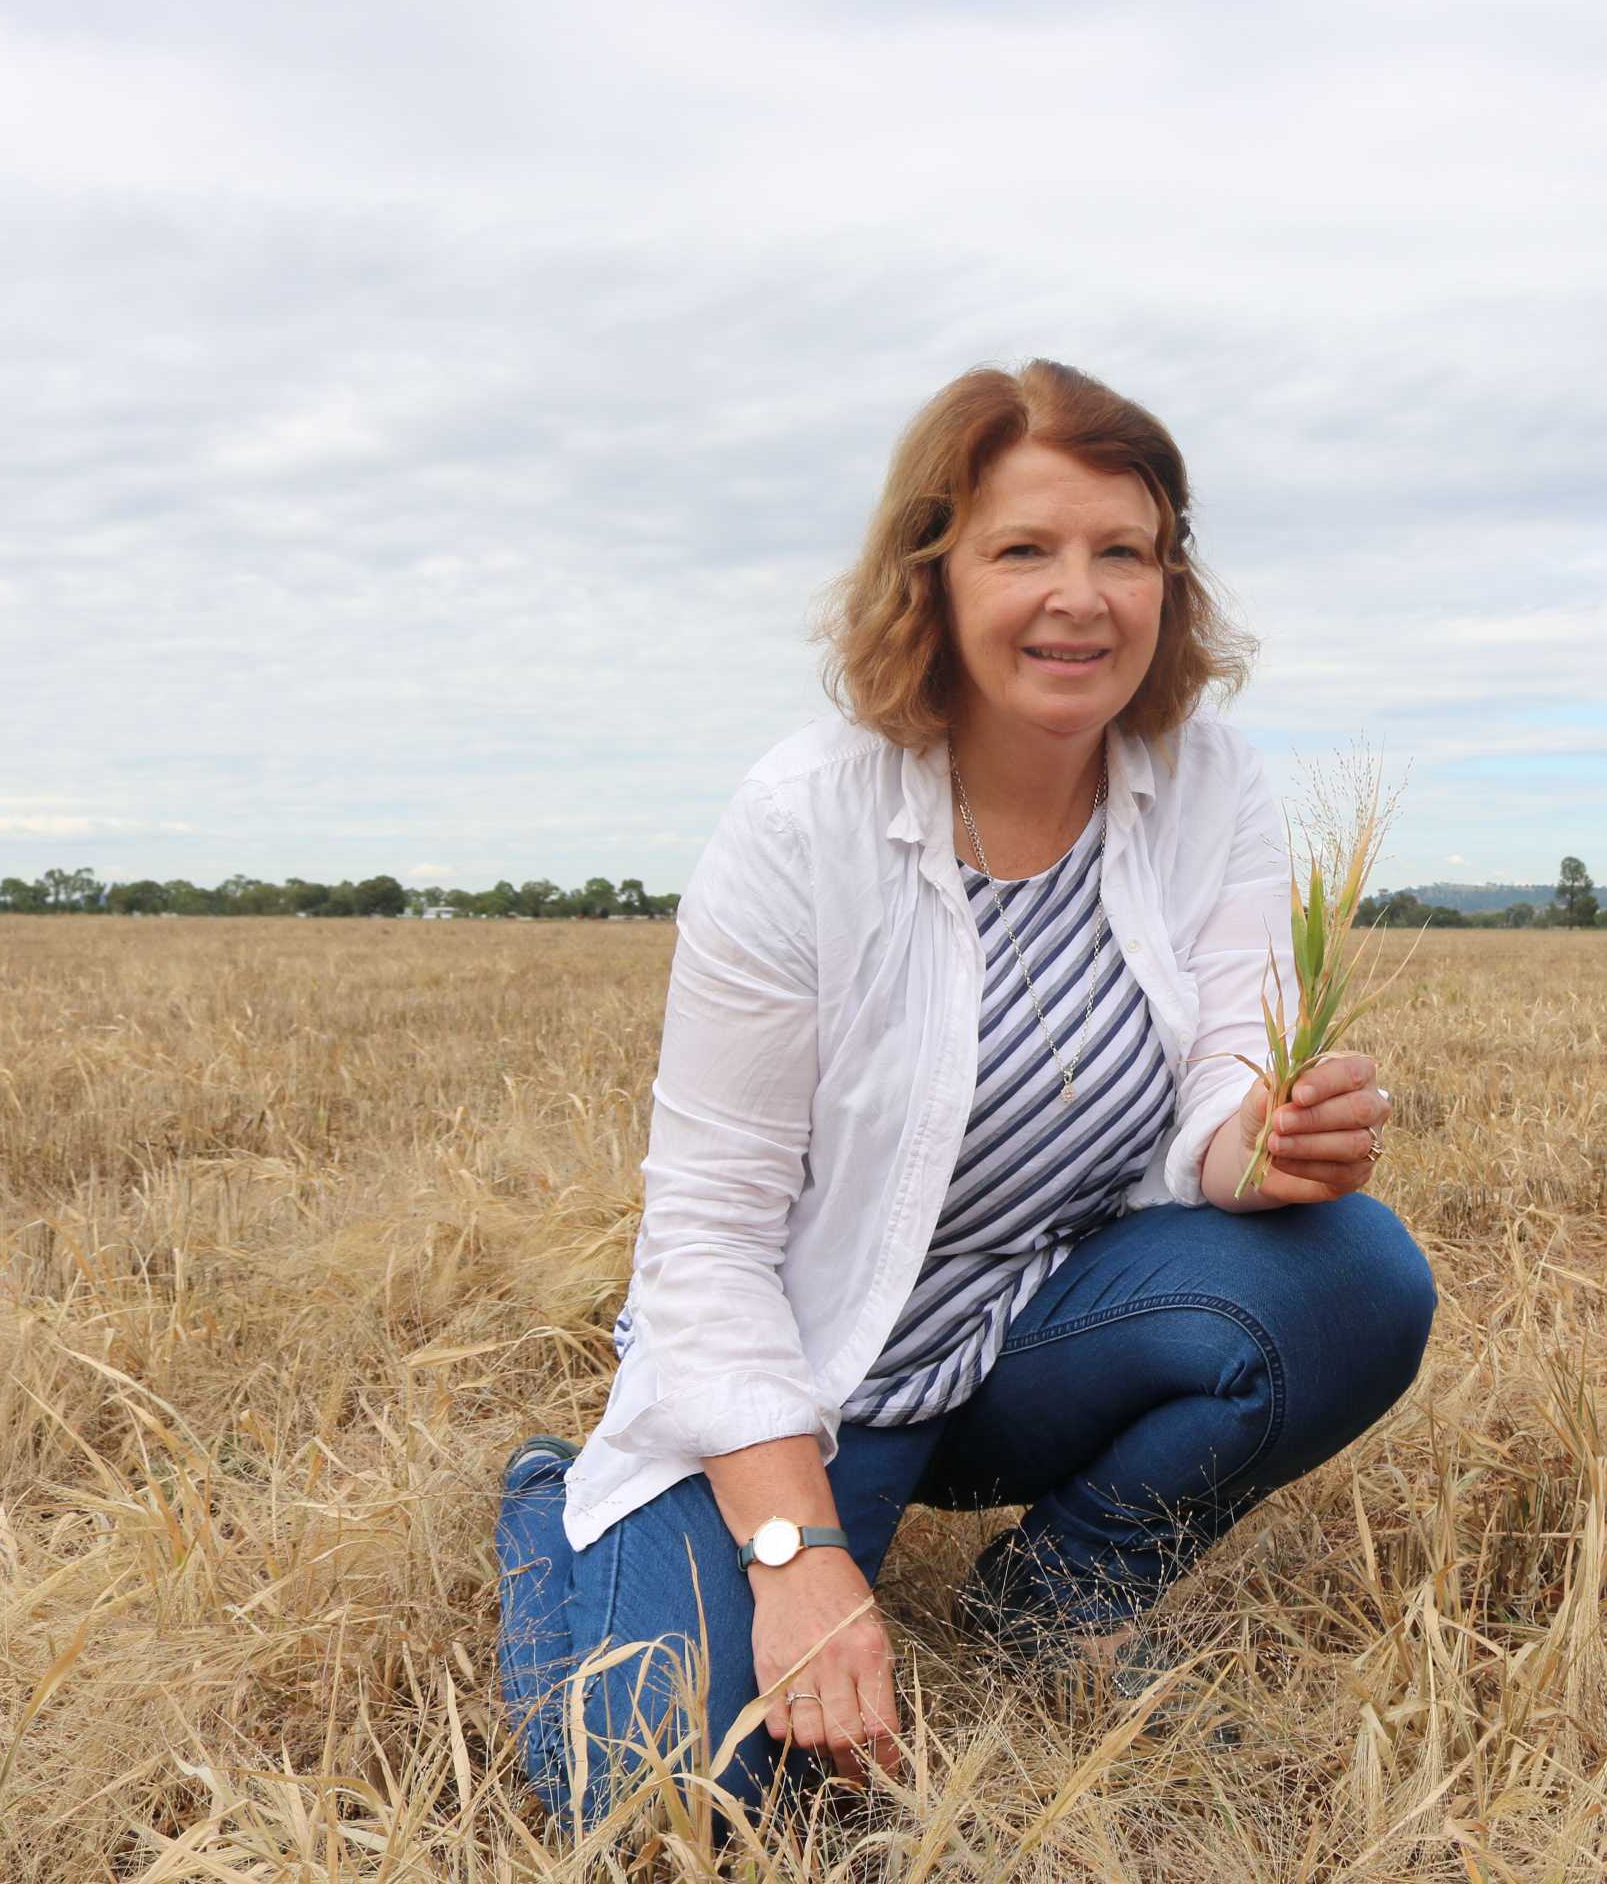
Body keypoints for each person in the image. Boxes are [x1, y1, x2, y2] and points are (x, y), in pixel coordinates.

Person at [493, 358, 1435, 1838]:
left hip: (1026, 1344)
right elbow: (709, 1232)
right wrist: (797, 1554)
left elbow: (1216, 1097)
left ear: (1171, 584)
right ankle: (558, 1513)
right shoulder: (807, 818)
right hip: (802, 1384)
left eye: (1125, 551)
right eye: (1024, 550)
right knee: (673, 1804)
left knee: (1356, 1273)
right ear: (929, 578)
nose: (1083, 596)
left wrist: (1269, 1145)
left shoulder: (1208, 785)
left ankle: (1052, 1608)